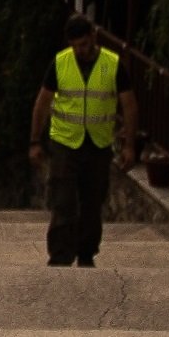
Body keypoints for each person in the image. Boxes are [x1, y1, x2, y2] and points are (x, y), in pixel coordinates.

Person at [29, 15, 140, 267]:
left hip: (98, 143)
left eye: (85, 44)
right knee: (63, 200)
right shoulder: (60, 63)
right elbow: (42, 104)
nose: (80, 50)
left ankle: (86, 253)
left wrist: (129, 145)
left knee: (93, 202)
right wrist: (35, 141)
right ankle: (59, 256)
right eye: (76, 45)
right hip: (65, 142)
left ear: (93, 37)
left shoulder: (112, 64)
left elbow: (129, 105)